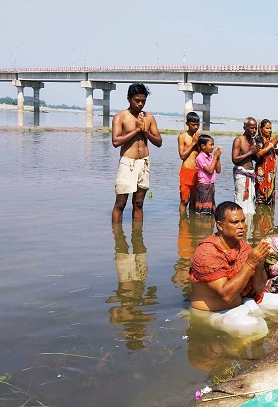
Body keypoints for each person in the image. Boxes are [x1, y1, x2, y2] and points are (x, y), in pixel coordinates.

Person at [189, 202, 278, 337]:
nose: (241, 226)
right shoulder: (206, 252)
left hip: (240, 302)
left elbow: (259, 287)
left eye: (243, 221)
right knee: (249, 326)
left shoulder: (242, 246)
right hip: (213, 313)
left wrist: (259, 263)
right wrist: (250, 263)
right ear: (220, 225)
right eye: (235, 222)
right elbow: (226, 296)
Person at [111, 83, 163, 223]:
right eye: (137, 100)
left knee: (139, 204)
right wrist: (137, 130)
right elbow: (116, 142)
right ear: (129, 99)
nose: (140, 104)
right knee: (120, 204)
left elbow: (159, 142)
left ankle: (138, 240)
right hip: (127, 162)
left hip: (143, 163)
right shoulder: (120, 117)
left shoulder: (149, 118)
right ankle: (118, 241)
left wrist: (145, 131)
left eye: (143, 100)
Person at [108, 223, 157, 350]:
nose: (141, 331)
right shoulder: (143, 318)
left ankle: (126, 229)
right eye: (141, 333)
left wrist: (129, 314)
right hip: (139, 278)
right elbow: (153, 297)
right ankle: (130, 229)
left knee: (123, 247)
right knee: (138, 246)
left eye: (140, 334)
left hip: (129, 279)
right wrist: (141, 310)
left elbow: (111, 307)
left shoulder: (120, 319)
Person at [232, 117, 261, 216]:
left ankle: (249, 225)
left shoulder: (253, 141)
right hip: (241, 173)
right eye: (251, 128)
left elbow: (256, 160)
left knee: (250, 201)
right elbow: (235, 159)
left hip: (250, 173)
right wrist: (250, 152)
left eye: (255, 128)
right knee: (241, 199)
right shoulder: (238, 140)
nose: (254, 131)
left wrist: (256, 152)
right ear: (245, 127)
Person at [178, 112, 202, 216]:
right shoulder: (182, 137)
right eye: (193, 125)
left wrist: (198, 143)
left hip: (197, 172)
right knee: (185, 199)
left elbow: (203, 154)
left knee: (194, 200)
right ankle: (182, 224)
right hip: (186, 171)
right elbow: (182, 156)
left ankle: (192, 225)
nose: (196, 127)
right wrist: (193, 143)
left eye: (197, 124)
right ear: (187, 124)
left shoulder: (200, 137)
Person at [255, 119, 278, 205]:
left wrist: (275, 145)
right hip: (261, 170)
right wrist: (271, 145)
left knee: (270, 192)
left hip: (270, 171)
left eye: (270, 128)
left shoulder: (271, 140)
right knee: (261, 194)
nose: (269, 130)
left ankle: (269, 213)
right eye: (267, 128)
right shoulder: (258, 139)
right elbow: (260, 152)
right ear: (261, 129)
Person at [194, 134, 222, 215]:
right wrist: (215, 157)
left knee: (210, 211)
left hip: (210, 186)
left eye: (213, 144)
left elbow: (218, 170)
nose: (212, 147)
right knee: (204, 211)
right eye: (210, 145)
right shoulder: (200, 157)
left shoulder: (211, 157)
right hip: (203, 187)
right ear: (203, 146)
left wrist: (217, 157)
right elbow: (209, 171)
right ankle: (202, 227)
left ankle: (208, 226)